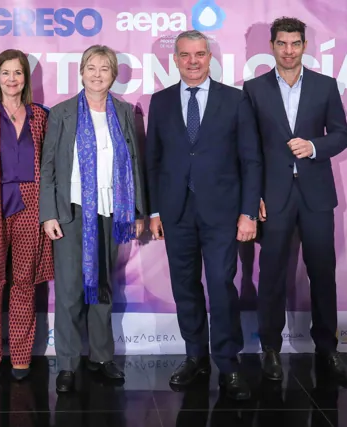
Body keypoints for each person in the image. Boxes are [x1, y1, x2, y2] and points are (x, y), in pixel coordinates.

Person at [145, 30, 262, 400]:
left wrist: (248, 212)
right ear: (175, 59)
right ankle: (195, 356)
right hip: (176, 212)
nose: (192, 61)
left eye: (199, 54)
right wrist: (155, 211)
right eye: (185, 55)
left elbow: (251, 160)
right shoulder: (160, 101)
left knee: (220, 286)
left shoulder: (235, 99)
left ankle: (228, 363)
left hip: (223, 213)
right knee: (185, 288)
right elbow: (153, 161)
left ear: (209, 57)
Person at [243, 17, 347, 383]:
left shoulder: (324, 86)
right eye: (282, 44)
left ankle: (328, 350)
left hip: (317, 194)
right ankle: (270, 350)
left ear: (305, 45)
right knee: (272, 274)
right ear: (271, 46)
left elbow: (341, 135)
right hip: (273, 196)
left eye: (295, 43)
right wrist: (254, 194)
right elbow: (250, 149)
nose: (288, 51)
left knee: (323, 272)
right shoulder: (253, 88)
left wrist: (314, 147)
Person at [39, 44, 146, 393]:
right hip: (71, 211)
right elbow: (49, 167)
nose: (97, 74)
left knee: (102, 287)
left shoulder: (126, 112)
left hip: (112, 209)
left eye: (105, 68)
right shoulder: (62, 113)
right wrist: (48, 214)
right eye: (91, 67)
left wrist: (138, 211)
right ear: (81, 72)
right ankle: (67, 364)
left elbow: (134, 162)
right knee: (71, 289)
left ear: (113, 74)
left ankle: (102, 358)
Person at [0, 49, 54, 381]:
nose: (12, 79)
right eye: (5, 73)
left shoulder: (39, 116)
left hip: (31, 205)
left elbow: (47, 168)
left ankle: (20, 356)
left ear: (25, 79)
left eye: (17, 73)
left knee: (24, 283)